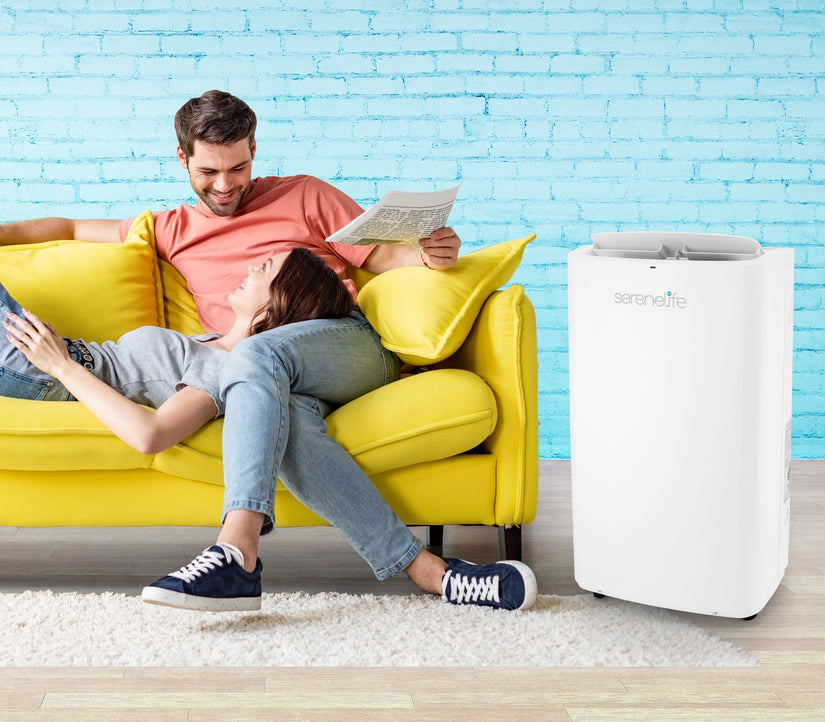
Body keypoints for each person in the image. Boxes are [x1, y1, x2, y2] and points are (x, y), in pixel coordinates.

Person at [0, 90, 537, 613]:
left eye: (237, 168)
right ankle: (433, 574)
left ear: (253, 149)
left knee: (253, 357)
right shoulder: (172, 228)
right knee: (283, 414)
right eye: (209, 172)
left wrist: (432, 256)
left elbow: (388, 257)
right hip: (255, 373)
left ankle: (237, 550)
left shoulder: (305, 195)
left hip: (337, 341)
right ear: (183, 158)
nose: (226, 185)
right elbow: (68, 227)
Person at [1, 247, 353, 455]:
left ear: (282, 300)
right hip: (50, 358)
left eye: (266, 268)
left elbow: (150, 435)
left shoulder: (228, 367)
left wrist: (62, 366)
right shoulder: (214, 343)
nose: (252, 268)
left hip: (45, 373)